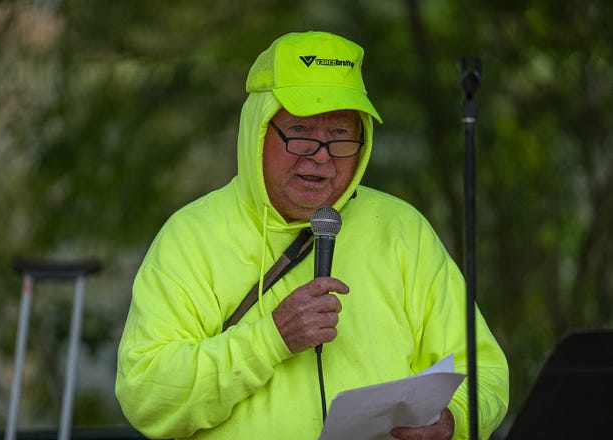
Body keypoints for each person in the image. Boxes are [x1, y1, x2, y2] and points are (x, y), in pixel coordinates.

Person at [115, 31, 509, 439]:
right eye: (300, 130)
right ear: (258, 130)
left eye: (339, 135)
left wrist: (453, 420)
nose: (320, 154)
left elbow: (485, 373)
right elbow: (145, 394)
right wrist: (270, 340)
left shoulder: (402, 230)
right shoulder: (191, 237)